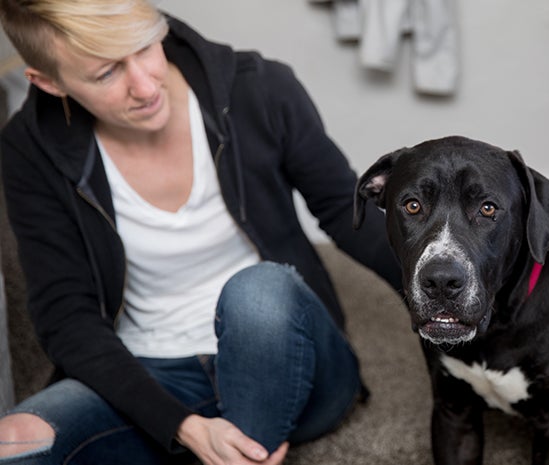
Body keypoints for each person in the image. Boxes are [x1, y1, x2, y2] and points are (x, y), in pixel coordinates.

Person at [0, 1, 401, 463]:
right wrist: (184, 428)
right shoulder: (28, 149)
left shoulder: (257, 86)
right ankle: (225, 448)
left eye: (146, 47)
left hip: (284, 355)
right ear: (48, 83)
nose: (146, 85)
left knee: (259, 290)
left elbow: (341, 209)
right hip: (154, 372)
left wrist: (456, 301)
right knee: (16, 438)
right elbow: (66, 317)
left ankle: (240, 444)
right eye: (106, 73)